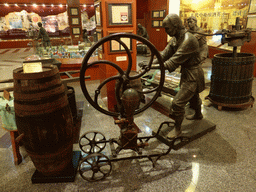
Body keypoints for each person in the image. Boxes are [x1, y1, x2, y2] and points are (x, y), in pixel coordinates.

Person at [139, 14, 205, 138]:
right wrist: (149, 63)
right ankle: (198, 114)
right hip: (187, 72)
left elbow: (171, 63)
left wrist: (150, 67)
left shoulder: (188, 40)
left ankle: (178, 130)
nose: (166, 31)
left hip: (194, 74)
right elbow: (163, 55)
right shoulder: (175, 39)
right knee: (193, 96)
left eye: (167, 28)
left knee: (178, 103)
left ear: (175, 26)